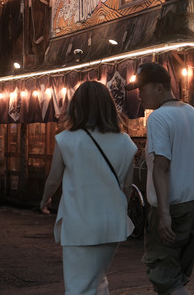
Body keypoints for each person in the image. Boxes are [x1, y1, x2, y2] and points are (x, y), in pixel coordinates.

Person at [125, 62, 194, 295]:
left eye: (142, 88)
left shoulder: (159, 118)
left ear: (160, 88)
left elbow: (161, 167)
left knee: (164, 276)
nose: (139, 95)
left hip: (173, 208)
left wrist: (163, 215)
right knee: (178, 275)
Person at [40, 81, 137, 295]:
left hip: (80, 224)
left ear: (78, 107)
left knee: (78, 287)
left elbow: (53, 179)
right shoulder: (125, 142)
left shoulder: (67, 140)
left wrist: (45, 199)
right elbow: (127, 186)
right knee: (98, 281)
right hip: (112, 223)